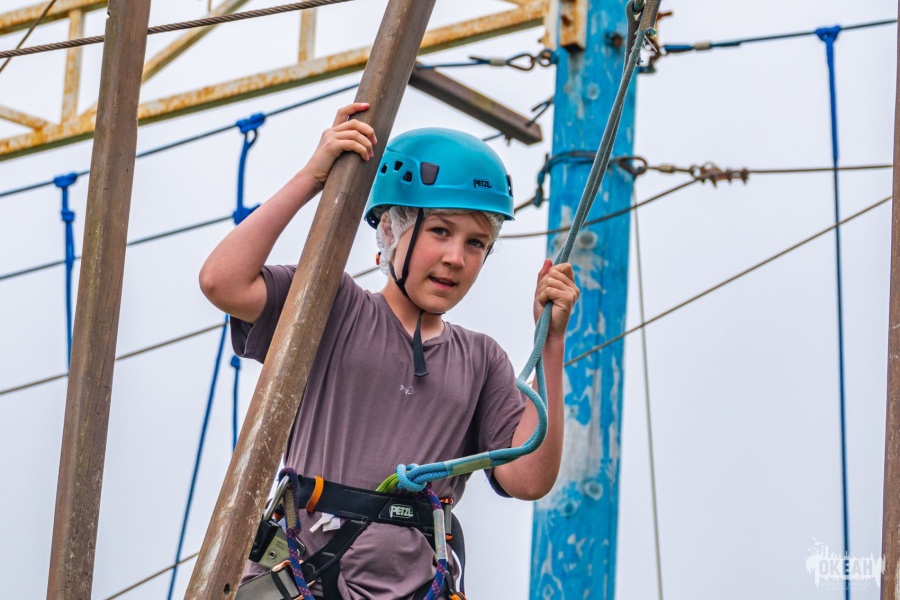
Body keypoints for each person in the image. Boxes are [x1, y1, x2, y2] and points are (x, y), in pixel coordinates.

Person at [199, 103, 579, 600]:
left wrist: (551, 342)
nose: (455, 258)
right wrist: (313, 177)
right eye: (440, 231)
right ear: (391, 229)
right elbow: (222, 281)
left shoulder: (480, 361)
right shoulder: (333, 305)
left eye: (476, 243)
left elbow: (528, 478)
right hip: (306, 580)